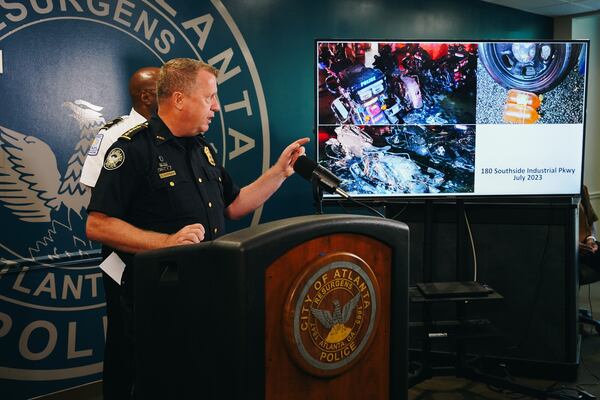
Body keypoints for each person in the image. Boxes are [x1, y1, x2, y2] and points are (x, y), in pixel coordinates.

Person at [85, 58, 309, 399]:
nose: (216, 107)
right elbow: (97, 224)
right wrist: (165, 243)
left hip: (201, 295)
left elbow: (234, 205)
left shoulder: (202, 148)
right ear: (179, 99)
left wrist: (279, 171)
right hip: (148, 303)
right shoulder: (133, 149)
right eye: (210, 98)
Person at [80, 66, 160, 188]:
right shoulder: (113, 135)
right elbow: (96, 189)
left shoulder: (177, 131)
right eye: (164, 91)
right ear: (146, 97)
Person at [579, 184, 599, 270]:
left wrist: (590, 239)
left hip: (587, 245)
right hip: (564, 248)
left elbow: (591, 222)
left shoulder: (582, 188)